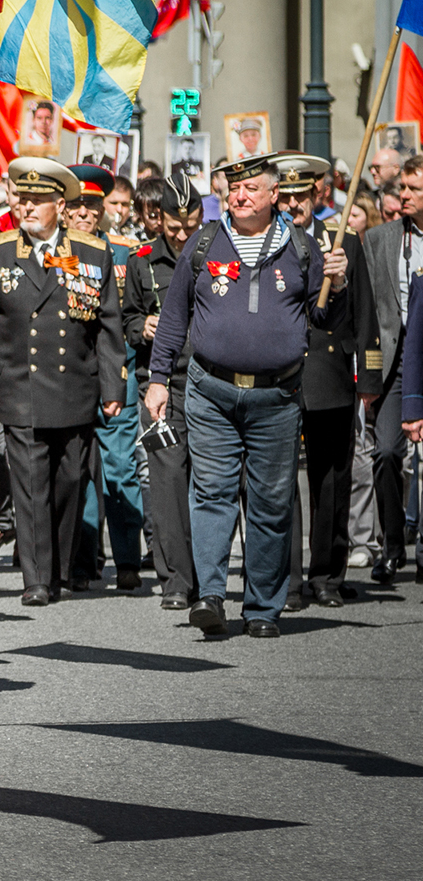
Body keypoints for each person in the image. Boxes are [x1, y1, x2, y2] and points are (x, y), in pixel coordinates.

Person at [146, 153, 349, 637]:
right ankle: (212, 595)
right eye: (232, 189)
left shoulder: (302, 248)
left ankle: (262, 607)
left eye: (251, 189)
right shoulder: (204, 242)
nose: (238, 197)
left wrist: (336, 285)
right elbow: (174, 317)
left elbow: (324, 321)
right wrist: (158, 379)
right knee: (211, 492)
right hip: (210, 391)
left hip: (277, 398)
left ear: (274, 195)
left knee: (271, 502)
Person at [0, 158, 125, 605]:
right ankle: (36, 579)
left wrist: (113, 389)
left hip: (75, 386)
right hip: (19, 385)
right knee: (29, 484)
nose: (27, 208)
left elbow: (108, 325)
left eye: (38, 201)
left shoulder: (92, 253)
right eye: (22, 199)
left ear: (60, 205)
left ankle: (57, 568)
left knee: (68, 483)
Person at [273, 154, 381, 609]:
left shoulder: (343, 243)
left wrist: (369, 377)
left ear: (318, 194)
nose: (295, 204)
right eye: (288, 196)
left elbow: (365, 313)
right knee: (279, 484)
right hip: (279, 371)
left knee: (332, 478)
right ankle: (288, 581)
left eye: (303, 195)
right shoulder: (266, 244)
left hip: (330, 371)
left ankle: (326, 575)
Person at [123, 172, 204, 610]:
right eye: (174, 226)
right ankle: (175, 580)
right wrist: (142, 327)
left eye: (190, 224)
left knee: (209, 481)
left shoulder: (213, 252)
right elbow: (126, 319)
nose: (182, 234)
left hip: (209, 380)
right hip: (162, 382)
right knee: (167, 479)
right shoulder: (142, 260)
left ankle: (206, 574)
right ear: (159, 219)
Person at [63, 163, 145, 590]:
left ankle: (128, 559)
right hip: (71, 377)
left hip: (118, 372)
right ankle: (82, 560)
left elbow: (132, 316)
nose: (84, 214)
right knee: (77, 471)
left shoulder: (125, 253)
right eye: (76, 206)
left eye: (92, 206)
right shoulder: (53, 252)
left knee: (118, 467)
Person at [359, 153, 423, 583]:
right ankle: (393, 542)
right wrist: (369, 376)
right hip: (394, 363)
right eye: (402, 188)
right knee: (384, 452)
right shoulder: (380, 239)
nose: (402, 196)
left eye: (413, 189)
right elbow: (367, 314)